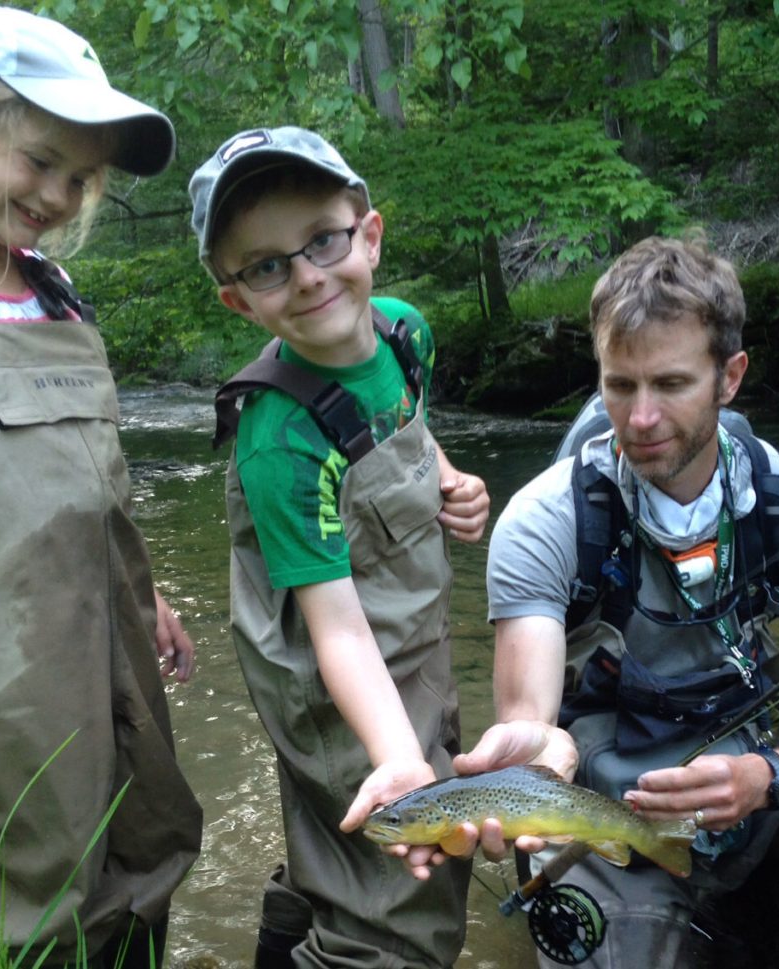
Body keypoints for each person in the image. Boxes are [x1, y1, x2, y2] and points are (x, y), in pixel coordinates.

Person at [439, 235, 779, 968]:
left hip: (763, 780)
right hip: (608, 808)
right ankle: (690, 917)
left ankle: (758, 903)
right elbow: (528, 715)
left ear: (729, 377)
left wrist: (769, 779)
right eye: (619, 384)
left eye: (669, 384)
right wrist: (534, 754)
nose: (638, 418)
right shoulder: (546, 520)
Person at [0, 8, 202, 968]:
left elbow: (95, 476)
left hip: (105, 621)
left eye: (81, 177)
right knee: (47, 860)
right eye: (39, 160)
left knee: (153, 821)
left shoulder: (54, 288)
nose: (62, 193)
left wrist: (144, 593)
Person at [188, 125, 490, 968]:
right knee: (404, 899)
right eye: (267, 265)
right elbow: (338, 632)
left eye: (322, 239)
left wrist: (452, 481)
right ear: (238, 300)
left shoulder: (403, 333)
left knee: (342, 848)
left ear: (370, 234)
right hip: (335, 674)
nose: (310, 275)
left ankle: (287, 945)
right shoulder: (281, 444)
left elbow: (411, 431)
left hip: (411, 638)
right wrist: (396, 756)